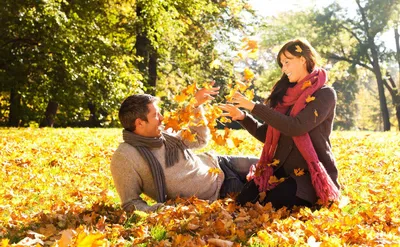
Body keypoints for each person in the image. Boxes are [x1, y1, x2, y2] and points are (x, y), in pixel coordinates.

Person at [219, 38, 340, 209]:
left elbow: (296, 127)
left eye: (287, 62)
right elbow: (266, 134)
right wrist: (243, 118)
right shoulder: (285, 96)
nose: (284, 69)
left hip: (308, 175)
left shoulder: (325, 94)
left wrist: (254, 107)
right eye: (282, 64)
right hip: (280, 170)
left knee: (272, 202)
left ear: (303, 59)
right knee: (244, 200)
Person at [110, 84, 258, 212]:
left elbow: (199, 139)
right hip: (221, 190)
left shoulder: (164, 134)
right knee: (272, 193)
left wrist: (195, 106)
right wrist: (159, 210)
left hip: (220, 163)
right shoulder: (125, 157)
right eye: (156, 115)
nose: (162, 118)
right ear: (139, 123)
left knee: (271, 164)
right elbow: (130, 202)